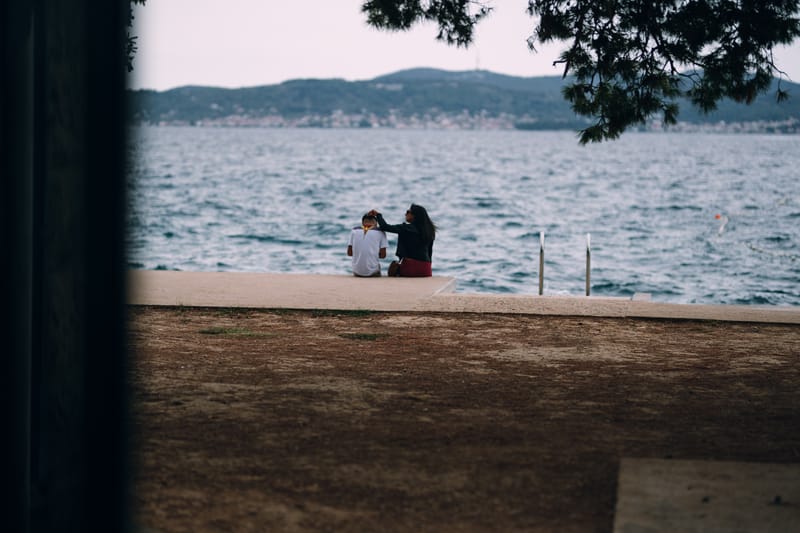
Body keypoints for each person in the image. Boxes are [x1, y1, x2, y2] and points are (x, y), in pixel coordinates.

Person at [369, 204, 436, 277]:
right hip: (426, 269)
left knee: (393, 268)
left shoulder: (405, 228)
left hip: (410, 268)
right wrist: (428, 269)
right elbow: (430, 253)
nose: (405, 214)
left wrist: (378, 215)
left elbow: (385, 227)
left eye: (408, 212)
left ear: (414, 215)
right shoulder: (429, 231)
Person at [347, 213, 388, 277]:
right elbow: (383, 255)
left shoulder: (354, 230)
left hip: (357, 272)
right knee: (377, 265)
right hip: (373, 272)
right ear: (376, 223)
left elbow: (349, 253)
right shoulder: (380, 232)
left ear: (363, 223)